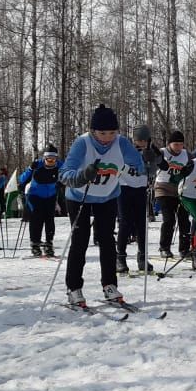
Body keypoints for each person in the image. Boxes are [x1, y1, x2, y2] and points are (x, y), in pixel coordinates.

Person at [58, 104, 145, 307]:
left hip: (107, 196)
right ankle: (74, 288)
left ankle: (109, 285)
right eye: (103, 133)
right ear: (93, 130)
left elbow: (139, 165)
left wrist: (145, 165)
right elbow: (65, 174)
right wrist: (83, 176)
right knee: (80, 240)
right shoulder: (82, 143)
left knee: (107, 240)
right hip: (79, 196)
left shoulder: (121, 143)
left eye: (112, 132)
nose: (107, 137)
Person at [116, 127, 157, 273]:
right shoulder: (124, 150)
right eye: (138, 140)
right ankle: (120, 257)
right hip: (124, 188)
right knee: (125, 222)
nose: (141, 143)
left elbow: (153, 171)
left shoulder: (150, 153)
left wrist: (149, 158)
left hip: (140, 189)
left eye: (144, 141)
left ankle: (142, 257)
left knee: (141, 223)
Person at [18, 145, 62, 257]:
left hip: (50, 196)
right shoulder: (37, 165)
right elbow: (22, 179)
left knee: (49, 221)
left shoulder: (60, 165)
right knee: (36, 220)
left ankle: (48, 244)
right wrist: (30, 169)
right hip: (35, 196)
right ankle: (35, 244)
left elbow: (69, 174)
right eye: (48, 158)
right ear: (44, 158)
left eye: (53, 158)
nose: (51, 161)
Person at [155, 130, 192, 259]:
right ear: (169, 144)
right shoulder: (162, 152)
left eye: (181, 144)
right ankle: (164, 247)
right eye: (175, 144)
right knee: (169, 219)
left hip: (180, 189)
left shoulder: (186, 154)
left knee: (184, 220)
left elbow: (192, 168)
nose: (178, 147)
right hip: (163, 188)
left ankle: (184, 249)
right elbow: (152, 160)